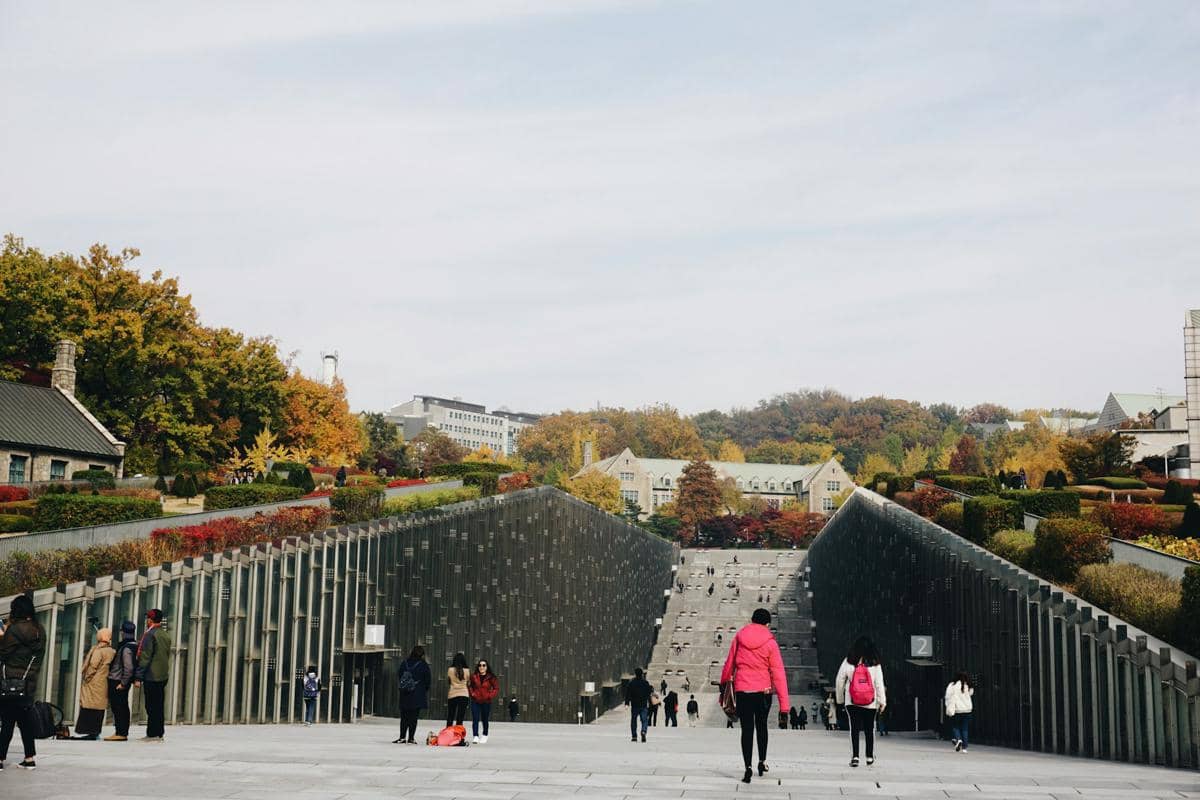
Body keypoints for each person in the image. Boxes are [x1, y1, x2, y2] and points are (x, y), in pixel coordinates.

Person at [720, 608, 790, 785]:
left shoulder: (739, 637)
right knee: (762, 726)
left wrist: (723, 686)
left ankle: (747, 767)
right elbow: (778, 674)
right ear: (767, 624)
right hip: (763, 692)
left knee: (747, 729)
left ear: (752, 620)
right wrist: (784, 707)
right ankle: (762, 762)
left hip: (743, 690)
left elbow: (729, 664)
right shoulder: (770, 643)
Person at [0, 595, 44, 770]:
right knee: (25, 722)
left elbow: (3, 654)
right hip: (29, 683)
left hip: (10, 682)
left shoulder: (15, 629)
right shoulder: (40, 630)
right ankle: (29, 758)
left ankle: (0, 758)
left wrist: (2, 636)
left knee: (8, 721)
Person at [835, 635, 886, 768]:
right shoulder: (875, 663)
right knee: (870, 729)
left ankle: (855, 756)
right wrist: (882, 701)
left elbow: (840, 680)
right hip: (870, 701)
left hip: (852, 701)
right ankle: (869, 756)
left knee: (855, 729)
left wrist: (840, 699)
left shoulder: (849, 661)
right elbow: (879, 683)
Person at [134, 608, 172, 742]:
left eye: (147, 619)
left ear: (150, 620)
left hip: (151, 675)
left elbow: (145, 657)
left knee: (151, 706)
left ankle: (152, 734)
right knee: (159, 705)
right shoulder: (165, 635)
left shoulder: (150, 635)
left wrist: (138, 676)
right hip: (162, 675)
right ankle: (159, 733)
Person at [73, 627, 115, 739]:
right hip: (103, 682)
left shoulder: (98, 651)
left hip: (94, 682)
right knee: (99, 707)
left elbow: (93, 666)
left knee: (89, 704)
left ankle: (88, 730)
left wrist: (86, 677)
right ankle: (96, 731)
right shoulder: (111, 651)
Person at [105, 620, 137, 741]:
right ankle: (121, 732)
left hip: (118, 681)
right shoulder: (134, 645)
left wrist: (123, 683)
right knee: (122, 706)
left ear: (123, 632)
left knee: (119, 707)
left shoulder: (126, 648)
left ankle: (121, 732)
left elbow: (128, 667)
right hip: (122, 680)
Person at [395, 645, 431, 743]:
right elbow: (427, 680)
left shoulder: (405, 663)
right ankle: (411, 738)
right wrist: (423, 689)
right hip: (417, 694)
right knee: (413, 718)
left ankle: (402, 737)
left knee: (404, 717)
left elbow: (399, 675)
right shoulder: (424, 665)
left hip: (405, 693)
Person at [468, 658, 499, 744]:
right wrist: (472, 694)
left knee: (485, 719)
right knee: (475, 718)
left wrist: (490, 696)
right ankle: (475, 736)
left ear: (486, 667)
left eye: (483, 665)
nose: (481, 667)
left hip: (486, 701)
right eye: (480, 665)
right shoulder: (474, 676)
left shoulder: (491, 677)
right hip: (475, 701)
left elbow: (496, 688)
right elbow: (470, 686)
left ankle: (485, 735)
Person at [945, 672, 974, 753]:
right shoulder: (968, 685)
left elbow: (948, 696)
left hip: (957, 710)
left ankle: (958, 739)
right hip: (967, 710)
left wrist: (948, 705)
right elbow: (971, 694)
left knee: (955, 726)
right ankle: (965, 748)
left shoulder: (952, 685)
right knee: (965, 728)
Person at [624, 667, 652, 742]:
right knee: (644, 720)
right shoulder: (645, 683)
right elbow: (649, 693)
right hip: (643, 704)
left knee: (634, 720)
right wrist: (649, 702)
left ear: (635, 674)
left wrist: (627, 703)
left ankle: (634, 736)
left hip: (635, 705)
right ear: (642, 674)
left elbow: (628, 694)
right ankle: (643, 731)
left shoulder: (632, 683)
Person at [446, 652, 470, 728]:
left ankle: (448, 737)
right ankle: (459, 737)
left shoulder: (450, 670)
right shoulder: (467, 670)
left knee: (450, 716)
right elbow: (468, 683)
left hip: (452, 694)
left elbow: (449, 681)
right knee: (460, 718)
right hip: (464, 694)